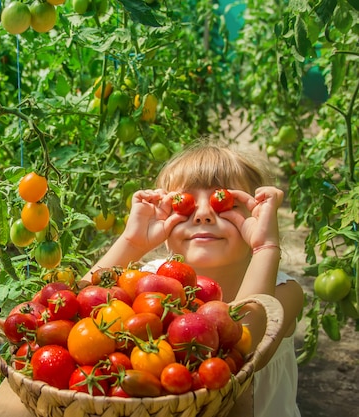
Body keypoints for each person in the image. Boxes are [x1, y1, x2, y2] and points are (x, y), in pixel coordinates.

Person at [82, 142, 303, 417]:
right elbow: (80, 306)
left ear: (257, 216)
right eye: (183, 205)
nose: (202, 214)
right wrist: (132, 242)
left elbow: (243, 348)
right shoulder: (149, 279)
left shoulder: (284, 293)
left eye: (224, 203)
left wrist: (265, 248)